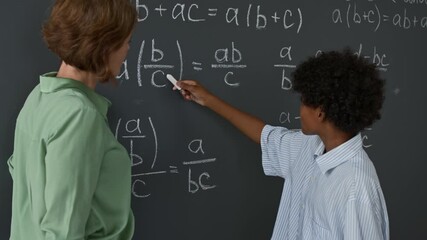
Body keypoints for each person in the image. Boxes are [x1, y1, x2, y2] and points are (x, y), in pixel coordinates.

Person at [176, 49, 389, 239]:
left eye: (304, 101)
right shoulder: (310, 146)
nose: (300, 109)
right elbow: (265, 135)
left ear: (320, 111)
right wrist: (207, 98)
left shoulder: (356, 187)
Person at [7, 0, 137, 239]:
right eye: (126, 41)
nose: (128, 50)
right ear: (105, 45)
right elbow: (63, 230)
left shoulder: (38, 97)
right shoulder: (79, 115)